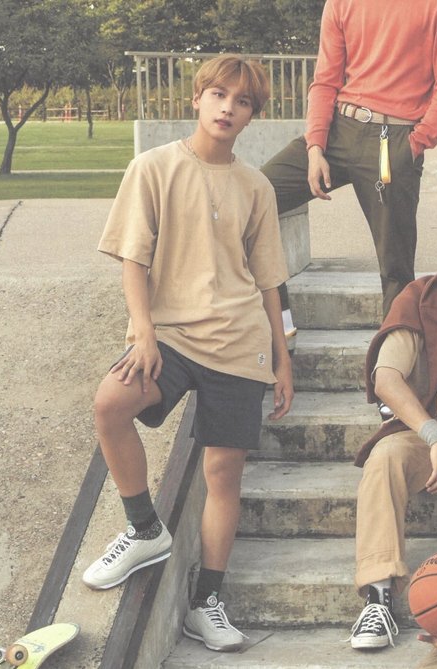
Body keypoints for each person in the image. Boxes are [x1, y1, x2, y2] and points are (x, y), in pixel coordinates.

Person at [82, 54, 294, 653]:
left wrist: (282, 359)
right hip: (170, 335)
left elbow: (269, 280)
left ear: (252, 115)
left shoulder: (256, 187)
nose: (228, 108)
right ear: (197, 98)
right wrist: (143, 330)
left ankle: (207, 604)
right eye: (219, 95)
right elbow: (133, 257)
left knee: (223, 473)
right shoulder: (153, 167)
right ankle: (144, 528)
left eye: (243, 101)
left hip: (239, 342)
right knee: (110, 403)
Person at [261, 0, 437, 332]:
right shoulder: (341, 3)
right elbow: (325, 80)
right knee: (255, 196)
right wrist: (315, 147)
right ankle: (280, 325)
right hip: (337, 130)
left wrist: (416, 143)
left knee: (395, 268)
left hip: (394, 138)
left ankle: (392, 358)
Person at [346, 271, 437, 650]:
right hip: (423, 432)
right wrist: (434, 436)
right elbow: (386, 379)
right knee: (385, 458)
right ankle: (378, 596)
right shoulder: (421, 298)